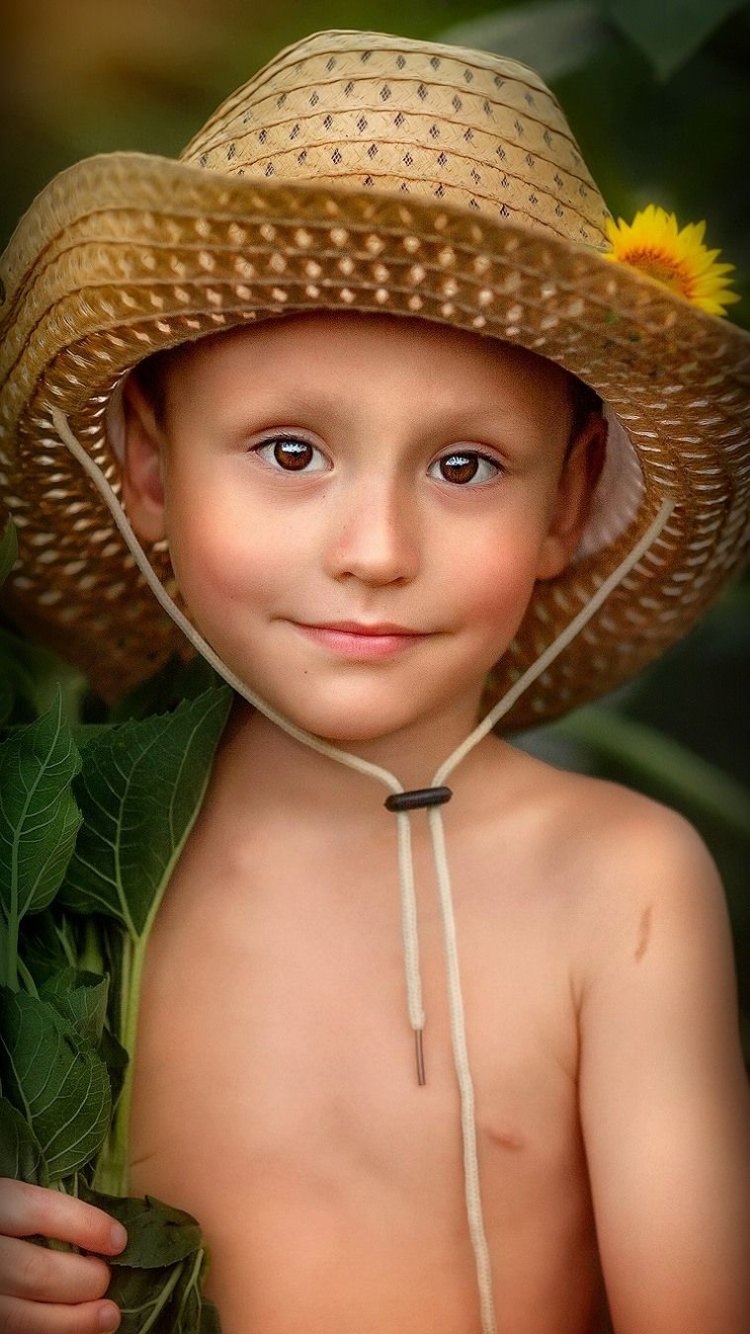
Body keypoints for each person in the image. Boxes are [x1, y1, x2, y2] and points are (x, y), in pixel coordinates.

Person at [0, 28, 748, 1334]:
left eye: (463, 466)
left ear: (568, 498)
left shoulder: (618, 883)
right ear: (150, 470)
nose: (376, 550)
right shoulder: (54, 866)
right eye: (290, 451)